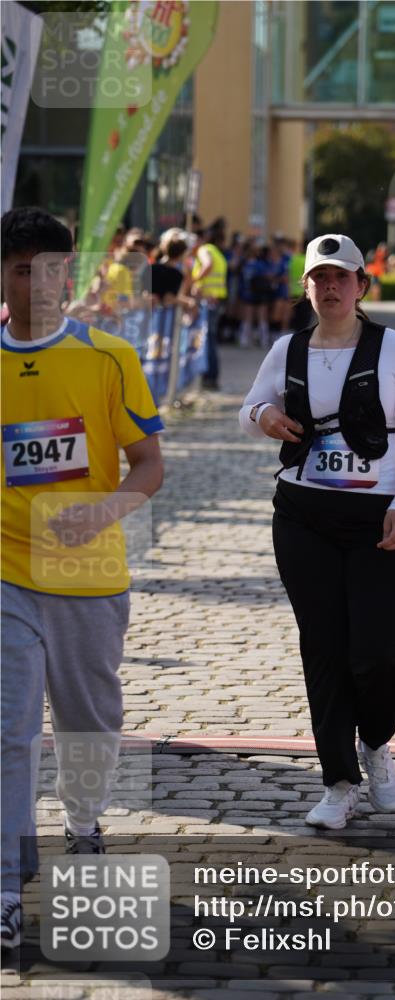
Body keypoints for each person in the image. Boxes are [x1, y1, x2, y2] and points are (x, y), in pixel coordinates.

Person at [0, 208, 164, 950]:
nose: (36, 282)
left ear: (72, 272)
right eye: (20, 267)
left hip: (90, 580)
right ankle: (6, 884)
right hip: (5, 575)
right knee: (8, 733)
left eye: (50, 267)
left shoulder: (109, 358)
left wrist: (102, 512)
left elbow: (150, 466)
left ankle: (82, 821)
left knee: (87, 725)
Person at [239, 234, 395, 830]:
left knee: (377, 655)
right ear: (306, 287)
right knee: (322, 648)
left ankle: (375, 745)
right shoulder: (287, 349)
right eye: (319, 278)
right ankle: (338, 781)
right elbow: (249, 410)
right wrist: (264, 417)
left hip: (375, 519)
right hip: (302, 515)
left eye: (341, 278)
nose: (330, 288)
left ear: (361, 286)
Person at [191, 224, 228, 388]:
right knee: (211, 339)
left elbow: (208, 265)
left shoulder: (204, 250)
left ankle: (209, 377)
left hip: (209, 300)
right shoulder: (216, 251)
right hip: (216, 299)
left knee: (208, 339)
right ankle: (211, 377)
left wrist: (194, 280)